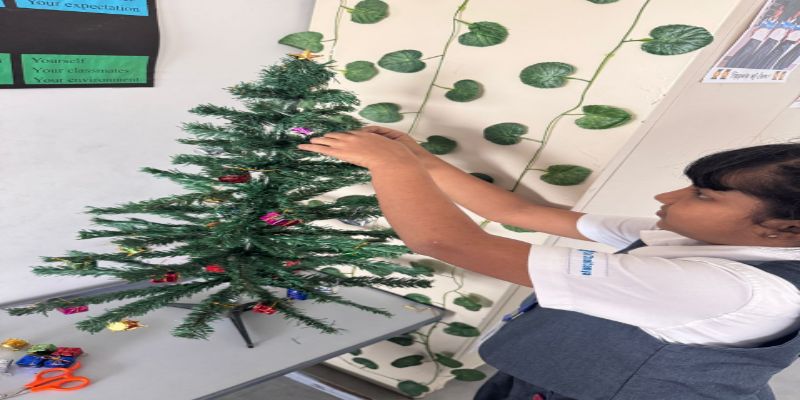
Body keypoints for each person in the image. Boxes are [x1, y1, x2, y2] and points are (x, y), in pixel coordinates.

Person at [297, 127, 800, 400]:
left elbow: (445, 241)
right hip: (567, 376)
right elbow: (517, 213)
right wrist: (421, 161)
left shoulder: (728, 289)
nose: (665, 197)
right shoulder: (692, 235)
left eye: (703, 195)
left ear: (783, 229)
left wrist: (389, 166)